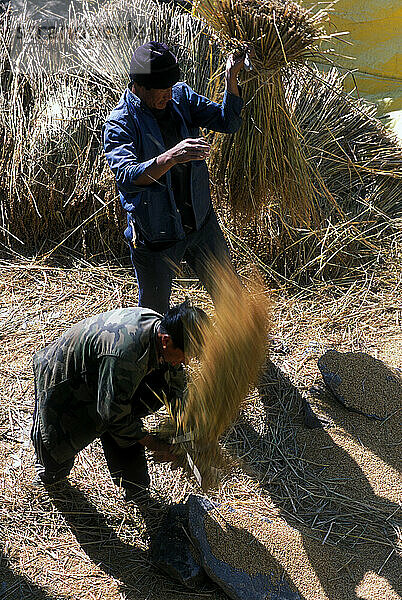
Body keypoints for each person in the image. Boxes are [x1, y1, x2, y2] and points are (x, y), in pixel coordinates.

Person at [103, 41, 246, 314]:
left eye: (171, 88)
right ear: (139, 87)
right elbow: (129, 176)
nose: (169, 95)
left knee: (232, 299)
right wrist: (172, 156)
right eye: (162, 90)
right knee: (153, 316)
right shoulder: (121, 123)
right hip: (156, 235)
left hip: (200, 224)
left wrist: (231, 77)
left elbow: (229, 121)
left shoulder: (181, 97)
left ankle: (244, 355)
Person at [31, 301, 208, 501]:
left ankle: (135, 486)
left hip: (106, 372)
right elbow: (113, 415)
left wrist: (189, 435)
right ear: (166, 340)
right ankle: (50, 476)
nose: (186, 362)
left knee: (126, 421)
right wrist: (156, 444)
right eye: (186, 356)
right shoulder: (126, 353)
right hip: (65, 375)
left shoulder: (163, 332)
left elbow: (176, 387)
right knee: (58, 445)